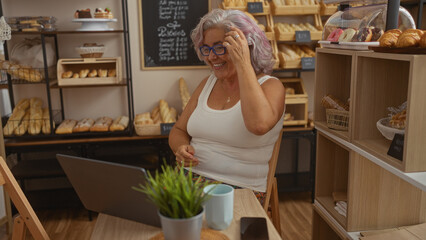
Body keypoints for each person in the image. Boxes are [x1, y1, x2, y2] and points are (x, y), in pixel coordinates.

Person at [169, 9, 285, 204]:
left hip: (240, 189)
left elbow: (258, 125)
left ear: (246, 47)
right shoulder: (207, 83)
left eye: (220, 47)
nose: (211, 57)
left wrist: (243, 63)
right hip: (189, 180)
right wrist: (180, 147)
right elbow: (179, 129)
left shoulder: (271, 86)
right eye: (206, 49)